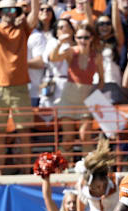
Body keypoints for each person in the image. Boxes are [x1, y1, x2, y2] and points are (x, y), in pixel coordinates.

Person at [0, 0, 40, 172]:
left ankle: (27, 172)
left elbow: (35, 13)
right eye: (6, 9)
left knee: (24, 132)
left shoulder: (23, 28)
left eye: (13, 9)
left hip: (20, 88)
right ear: (0, 12)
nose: (10, 12)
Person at [49, 22, 103, 156]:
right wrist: (60, 43)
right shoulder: (72, 51)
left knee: (85, 136)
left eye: (86, 37)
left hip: (86, 98)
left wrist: (94, 92)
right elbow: (53, 58)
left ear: (91, 38)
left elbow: (102, 79)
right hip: (69, 97)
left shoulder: (96, 56)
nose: (82, 40)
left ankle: (89, 168)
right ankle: (63, 169)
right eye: (79, 38)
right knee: (68, 138)